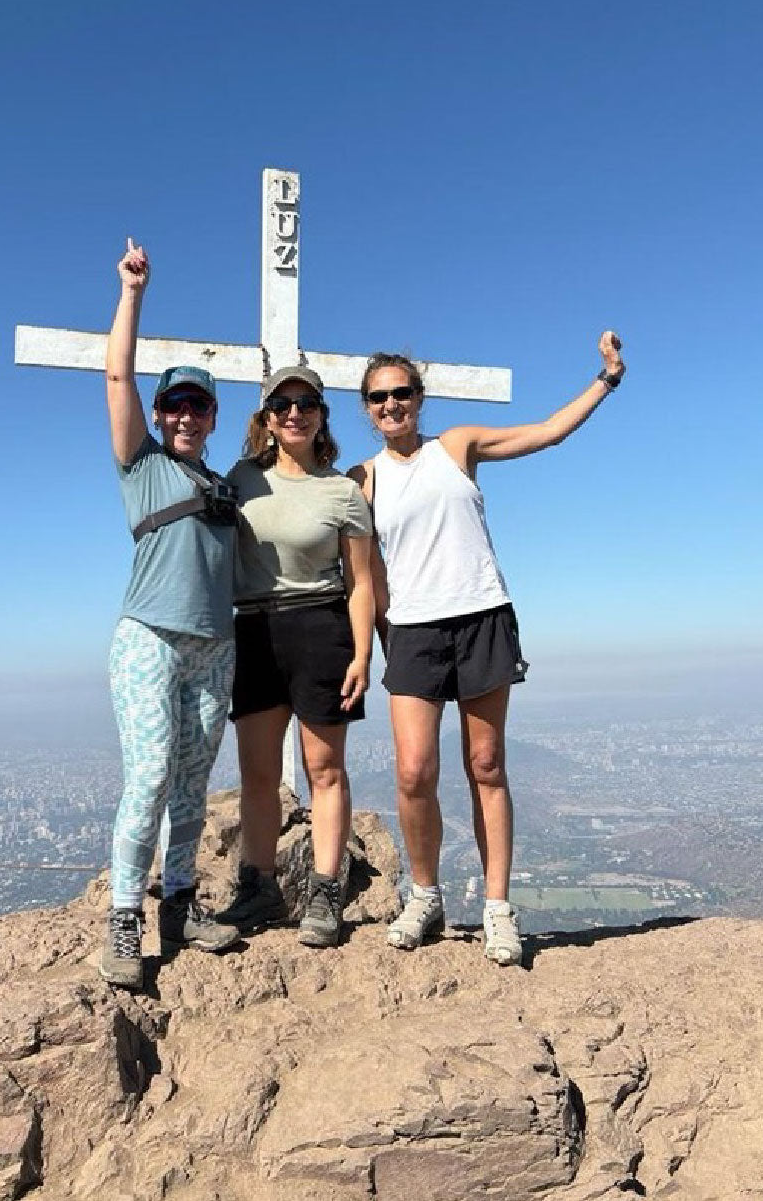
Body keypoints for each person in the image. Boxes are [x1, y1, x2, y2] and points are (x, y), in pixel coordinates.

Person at [349, 332, 626, 966]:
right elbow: (367, 574)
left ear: (419, 397)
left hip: (480, 616)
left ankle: (497, 907)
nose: (391, 405)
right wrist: (378, 642)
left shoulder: (456, 446)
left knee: (487, 764)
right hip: (413, 631)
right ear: (366, 407)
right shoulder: (362, 479)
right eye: (379, 397)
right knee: (413, 772)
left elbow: (547, 432)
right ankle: (425, 895)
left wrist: (606, 379)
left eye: (401, 393)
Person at [99, 238, 241, 990]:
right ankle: (126, 915)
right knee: (150, 774)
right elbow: (116, 375)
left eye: (198, 405)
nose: (186, 415)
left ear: (214, 416)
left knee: (191, 784)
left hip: (214, 647)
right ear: (159, 414)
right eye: (175, 405)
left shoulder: (225, 484)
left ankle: (179, 902)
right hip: (149, 638)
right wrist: (133, 293)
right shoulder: (142, 464)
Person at [218, 367, 374, 948]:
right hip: (255, 629)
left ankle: (326, 890)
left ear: (321, 416)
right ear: (266, 418)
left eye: (306, 403)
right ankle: (258, 887)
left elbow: (361, 582)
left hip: (321, 629)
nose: (294, 413)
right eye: (282, 404)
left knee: (325, 770)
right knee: (257, 773)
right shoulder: (241, 480)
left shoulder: (342, 492)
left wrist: (362, 654)